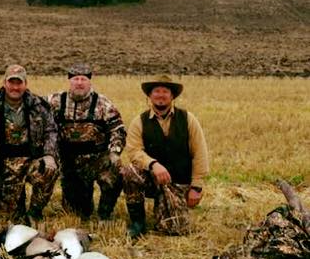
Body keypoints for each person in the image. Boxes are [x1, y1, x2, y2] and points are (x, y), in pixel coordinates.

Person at [122, 74, 209, 237]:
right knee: (129, 172)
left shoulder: (189, 119)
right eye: (156, 91)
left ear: (172, 96)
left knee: (175, 230)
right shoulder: (139, 121)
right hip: (152, 179)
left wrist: (196, 187)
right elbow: (133, 151)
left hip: (177, 181)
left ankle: (167, 208)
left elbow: (200, 154)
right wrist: (153, 165)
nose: (160, 95)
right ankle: (138, 223)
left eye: (165, 91)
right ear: (149, 95)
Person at [0, 64, 59, 223]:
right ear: (4, 83)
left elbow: (51, 131)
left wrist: (49, 155)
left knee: (49, 170)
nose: (15, 87)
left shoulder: (38, 106)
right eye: (12, 82)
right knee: (8, 221)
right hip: (3, 167)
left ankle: (34, 212)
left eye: (19, 83)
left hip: (31, 161)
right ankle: (15, 210)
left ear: (26, 84)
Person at [48, 63, 126, 219]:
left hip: (97, 159)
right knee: (78, 214)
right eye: (75, 79)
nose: (79, 83)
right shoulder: (54, 101)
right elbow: (42, 125)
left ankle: (105, 213)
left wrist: (114, 152)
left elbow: (118, 130)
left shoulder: (103, 104)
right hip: (68, 162)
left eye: (83, 79)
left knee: (116, 172)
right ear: (69, 81)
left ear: (89, 82)